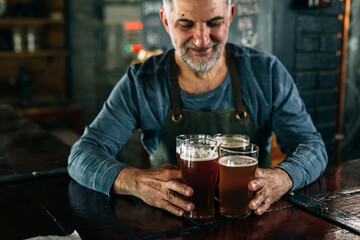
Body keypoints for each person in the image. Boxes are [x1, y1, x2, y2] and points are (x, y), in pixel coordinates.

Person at [68, 0, 328, 217]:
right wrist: (135, 181)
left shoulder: (266, 72)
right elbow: (81, 155)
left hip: (250, 222)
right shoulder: (141, 81)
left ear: (231, 15)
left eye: (214, 23)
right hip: (170, 225)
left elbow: (312, 147)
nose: (202, 39)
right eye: (185, 24)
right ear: (166, 21)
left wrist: (282, 178)